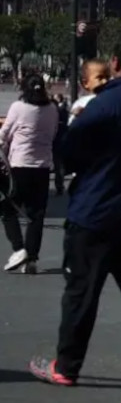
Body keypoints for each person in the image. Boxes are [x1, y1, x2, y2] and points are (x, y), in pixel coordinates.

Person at [28, 31, 121, 400]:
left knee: (80, 293)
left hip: (96, 211)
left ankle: (66, 367)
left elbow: (70, 150)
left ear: (115, 64)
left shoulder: (103, 105)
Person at [1, 74, 60, 275]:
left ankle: (19, 249)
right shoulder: (52, 109)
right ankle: (32, 258)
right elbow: (53, 134)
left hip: (19, 165)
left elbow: (5, 134)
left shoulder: (19, 107)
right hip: (43, 166)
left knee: (8, 209)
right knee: (37, 214)